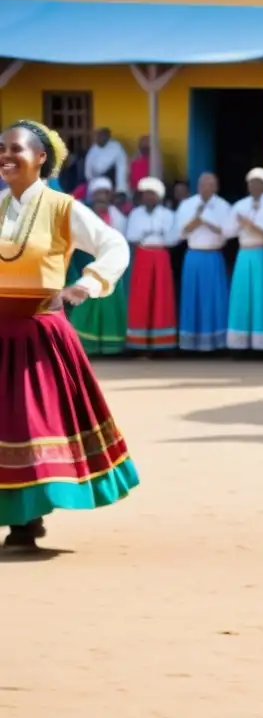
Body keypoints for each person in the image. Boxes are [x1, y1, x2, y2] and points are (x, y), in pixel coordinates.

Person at [0, 120, 139, 551]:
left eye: (16, 149)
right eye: (1, 148)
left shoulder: (64, 208)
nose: (6, 156)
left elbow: (114, 244)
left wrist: (86, 283)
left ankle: (26, 521)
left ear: (42, 158)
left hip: (38, 332)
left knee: (29, 423)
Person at [224, 168, 263, 352]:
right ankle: (240, 343)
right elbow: (227, 232)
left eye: (259, 182)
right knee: (242, 297)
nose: (255, 186)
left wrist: (250, 226)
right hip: (244, 254)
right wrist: (241, 225)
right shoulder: (240, 205)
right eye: (251, 183)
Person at [69, 177, 129, 356]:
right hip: (86, 262)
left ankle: (112, 347)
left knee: (109, 303)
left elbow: (120, 240)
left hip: (109, 266)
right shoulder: (84, 213)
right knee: (85, 303)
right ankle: (85, 346)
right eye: (98, 195)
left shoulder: (116, 215)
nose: (101, 198)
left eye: (105, 194)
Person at [176, 173, 231, 352]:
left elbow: (227, 232)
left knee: (213, 299)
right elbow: (180, 233)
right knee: (192, 298)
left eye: (210, 185)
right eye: (203, 185)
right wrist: (196, 219)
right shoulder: (187, 204)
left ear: (215, 187)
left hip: (213, 255)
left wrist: (207, 221)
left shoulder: (223, 206)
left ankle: (216, 343)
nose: (206, 188)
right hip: (193, 255)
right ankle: (190, 344)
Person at [125, 178, 178, 352]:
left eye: (152, 194)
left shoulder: (167, 214)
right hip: (143, 255)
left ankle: (161, 343)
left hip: (161, 256)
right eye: (146, 194)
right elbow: (132, 236)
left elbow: (172, 238)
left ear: (159, 196)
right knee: (142, 296)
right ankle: (139, 344)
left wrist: (151, 235)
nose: (149, 197)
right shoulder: (135, 214)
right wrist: (151, 234)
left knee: (161, 296)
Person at [83, 127, 129, 198]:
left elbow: (121, 168)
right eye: (97, 135)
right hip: (94, 182)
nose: (98, 138)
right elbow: (88, 169)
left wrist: (120, 189)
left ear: (107, 137)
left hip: (112, 183)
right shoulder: (93, 149)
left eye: (101, 135)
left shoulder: (116, 148)